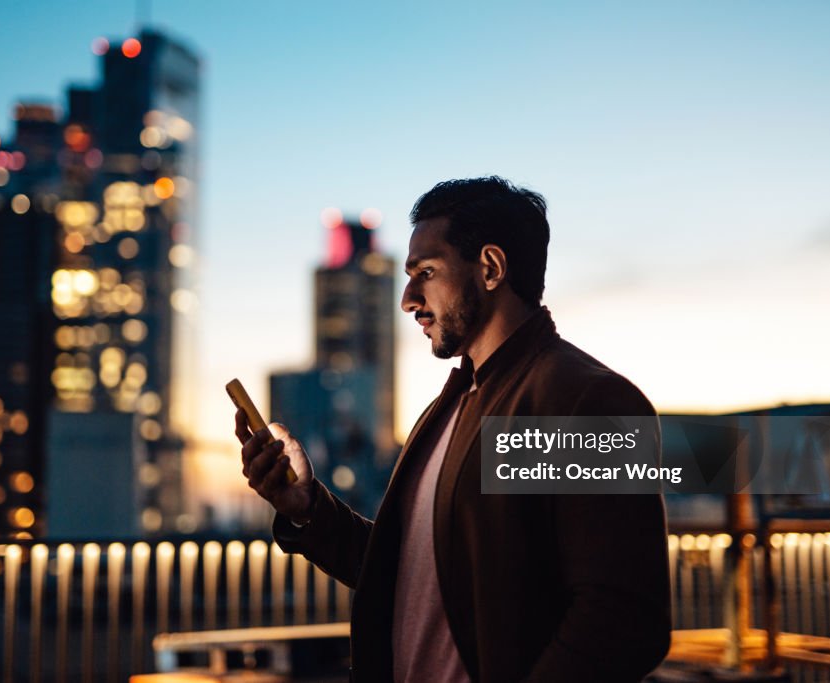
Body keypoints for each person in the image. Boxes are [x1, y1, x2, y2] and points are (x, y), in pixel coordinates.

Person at [235, 177, 671, 682]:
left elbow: (623, 619)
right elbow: (410, 576)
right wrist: (306, 508)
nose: (407, 299)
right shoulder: (453, 406)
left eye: (426, 272)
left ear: (490, 268)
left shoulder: (578, 401)